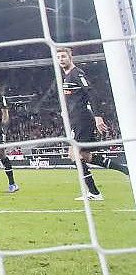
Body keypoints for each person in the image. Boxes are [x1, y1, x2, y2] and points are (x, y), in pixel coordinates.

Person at [57, 47, 129, 201]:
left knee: (74, 154)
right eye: (59, 57)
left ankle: (94, 192)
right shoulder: (67, 76)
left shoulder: (77, 73)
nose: (61, 59)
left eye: (63, 56)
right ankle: (126, 170)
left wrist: (98, 116)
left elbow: (91, 92)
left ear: (70, 57)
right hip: (75, 119)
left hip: (82, 119)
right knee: (86, 156)